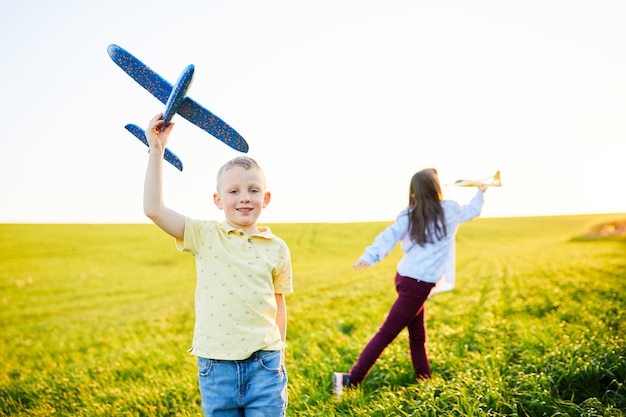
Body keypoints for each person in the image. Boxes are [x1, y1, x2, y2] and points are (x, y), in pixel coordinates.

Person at [143, 113, 293, 416]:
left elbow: (278, 302)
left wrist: (280, 353)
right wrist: (157, 150)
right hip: (216, 366)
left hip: (264, 363)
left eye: (253, 190)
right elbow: (154, 209)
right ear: (218, 199)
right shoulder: (205, 235)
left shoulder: (277, 248)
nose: (244, 198)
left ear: (266, 198)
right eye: (233, 191)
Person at [332, 168, 486, 397]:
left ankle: (424, 380)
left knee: (417, 335)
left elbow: (389, 235)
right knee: (387, 333)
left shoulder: (411, 213)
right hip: (417, 285)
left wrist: (370, 256)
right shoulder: (449, 210)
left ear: (414, 192)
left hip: (407, 279)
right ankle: (349, 380)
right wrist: (480, 192)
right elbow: (472, 211)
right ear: (436, 188)